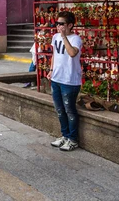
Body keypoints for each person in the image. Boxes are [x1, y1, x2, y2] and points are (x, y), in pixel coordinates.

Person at [48, 11, 83, 152]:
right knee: (60, 110)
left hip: (70, 80)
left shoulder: (76, 39)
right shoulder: (55, 37)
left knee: (70, 110)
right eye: (57, 23)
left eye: (61, 24)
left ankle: (73, 139)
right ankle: (65, 135)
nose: (58, 26)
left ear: (70, 25)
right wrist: (51, 70)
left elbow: (72, 53)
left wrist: (64, 37)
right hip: (56, 78)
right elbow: (54, 55)